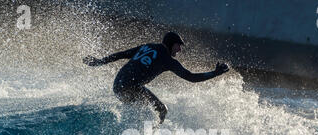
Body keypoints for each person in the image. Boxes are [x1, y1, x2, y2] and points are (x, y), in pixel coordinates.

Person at [83, 32, 229, 124]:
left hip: (118, 85)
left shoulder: (147, 47)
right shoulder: (167, 59)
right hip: (132, 87)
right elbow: (191, 77)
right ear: (172, 44)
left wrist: (99, 62)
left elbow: (121, 54)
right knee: (162, 110)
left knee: (141, 109)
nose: (180, 50)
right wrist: (215, 73)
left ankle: (131, 133)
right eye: (179, 46)